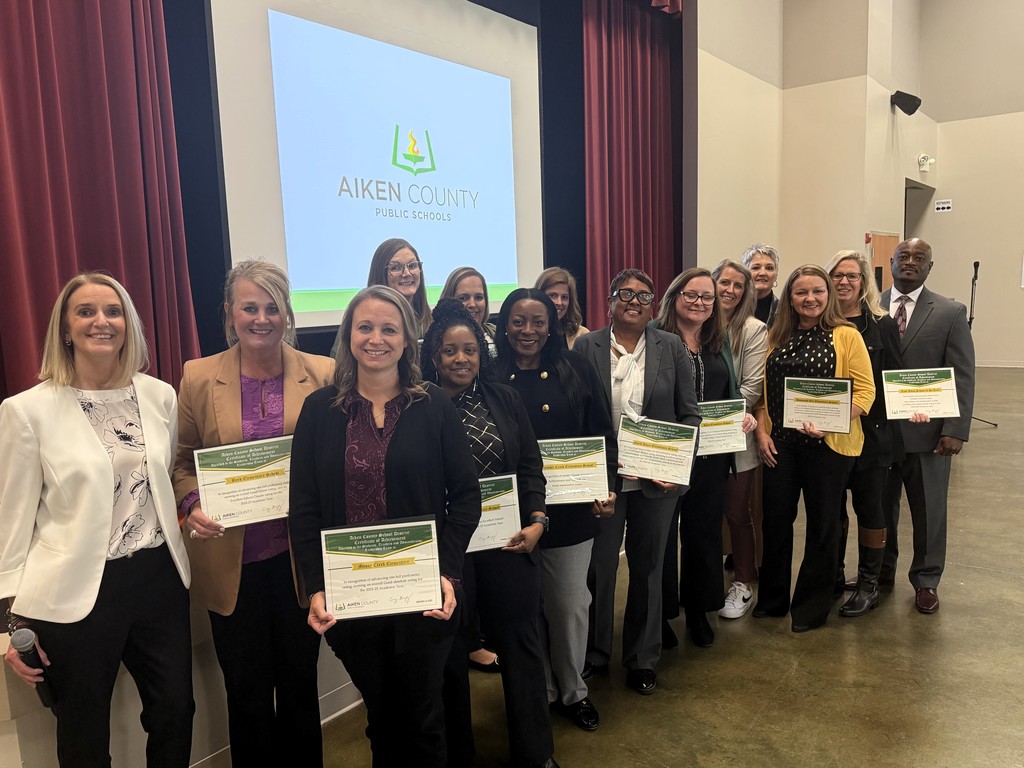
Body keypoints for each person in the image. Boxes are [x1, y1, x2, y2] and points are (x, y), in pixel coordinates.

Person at [1, 273, 193, 767]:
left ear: (128, 324)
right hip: (77, 591)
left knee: (175, 711)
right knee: (84, 729)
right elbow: (12, 521)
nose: (101, 322)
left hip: (157, 577)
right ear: (65, 329)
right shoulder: (27, 411)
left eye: (112, 311)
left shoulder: (159, 396)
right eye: (85, 312)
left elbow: (161, 482)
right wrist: (8, 624)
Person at [289, 285, 480, 767]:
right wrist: (315, 585)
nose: (377, 338)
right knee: (382, 719)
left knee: (423, 720)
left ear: (408, 338)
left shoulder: (433, 406)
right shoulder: (319, 411)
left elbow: (466, 498)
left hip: (423, 597)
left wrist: (448, 572)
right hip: (352, 600)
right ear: (348, 334)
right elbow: (305, 507)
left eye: (389, 328)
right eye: (365, 327)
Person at [173, 261, 333, 765]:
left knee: (301, 690)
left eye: (272, 308)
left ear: (286, 313)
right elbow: (181, 464)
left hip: (298, 565)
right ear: (230, 312)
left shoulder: (322, 373)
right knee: (246, 698)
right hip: (231, 566)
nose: (261, 319)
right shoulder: (199, 377)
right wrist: (191, 503)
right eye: (249, 307)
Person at [425, 299, 558, 768]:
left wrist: (538, 520)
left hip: (509, 543)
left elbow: (529, 466)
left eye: (470, 350)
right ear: (434, 357)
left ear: (482, 354)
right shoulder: (420, 405)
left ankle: (536, 753)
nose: (461, 359)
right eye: (449, 351)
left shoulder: (506, 398)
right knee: (449, 654)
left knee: (522, 645)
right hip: (450, 552)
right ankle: (458, 758)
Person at [493, 288, 616, 731]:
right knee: (523, 610)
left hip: (570, 509)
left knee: (567, 605)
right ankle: (536, 691)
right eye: (519, 321)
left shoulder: (576, 366)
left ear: (552, 324)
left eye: (538, 321)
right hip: (509, 513)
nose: (529, 331)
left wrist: (606, 489)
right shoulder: (488, 374)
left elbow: (601, 433)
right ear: (504, 324)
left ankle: (572, 691)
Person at [575, 270, 700, 695]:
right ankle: (595, 652)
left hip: (656, 482)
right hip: (603, 481)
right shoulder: (585, 345)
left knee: (648, 568)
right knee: (600, 569)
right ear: (609, 301)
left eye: (643, 295)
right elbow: (575, 418)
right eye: (624, 294)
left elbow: (690, 415)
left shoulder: (671, 347)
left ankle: (643, 657)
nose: (634, 301)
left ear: (654, 305)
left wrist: (674, 467)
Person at [752, 265, 874, 633]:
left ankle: (810, 608)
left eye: (818, 291)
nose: (810, 299)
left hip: (828, 447)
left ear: (829, 294)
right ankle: (772, 600)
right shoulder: (775, 336)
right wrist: (761, 432)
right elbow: (762, 395)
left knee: (823, 526)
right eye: (801, 292)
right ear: (790, 298)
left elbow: (865, 392)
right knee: (775, 522)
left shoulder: (846, 336)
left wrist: (833, 422)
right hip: (781, 446)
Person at [655, 268, 758, 648]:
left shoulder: (718, 340)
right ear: (675, 296)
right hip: (667, 453)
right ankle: (662, 614)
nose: (700, 303)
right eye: (691, 295)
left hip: (712, 455)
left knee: (703, 534)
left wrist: (742, 414)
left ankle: (699, 609)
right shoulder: (654, 338)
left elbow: (729, 391)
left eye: (707, 298)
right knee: (662, 537)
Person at [881, 238, 975, 614]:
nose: (910, 262)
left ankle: (926, 580)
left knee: (929, 511)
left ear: (930, 268)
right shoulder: (869, 308)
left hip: (930, 435)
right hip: (880, 433)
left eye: (920, 258)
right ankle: (880, 571)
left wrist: (955, 428)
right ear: (890, 263)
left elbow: (962, 374)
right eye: (904, 256)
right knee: (879, 509)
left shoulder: (950, 312)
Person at [825, 251, 908, 617]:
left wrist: (913, 408)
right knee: (831, 509)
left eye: (852, 276)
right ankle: (834, 575)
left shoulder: (882, 324)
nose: (844, 282)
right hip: (827, 435)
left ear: (864, 282)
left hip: (872, 436)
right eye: (838, 275)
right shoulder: (818, 321)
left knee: (870, 508)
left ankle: (869, 583)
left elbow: (894, 379)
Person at [711, 259, 768, 619]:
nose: (730, 290)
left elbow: (751, 387)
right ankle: (702, 582)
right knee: (700, 514)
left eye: (738, 286)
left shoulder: (754, 329)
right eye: (724, 283)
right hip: (696, 439)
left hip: (736, 435)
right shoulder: (696, 324)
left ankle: (744, 583)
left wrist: (707, 417)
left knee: (736, 510)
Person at [331, 237, 432, 356]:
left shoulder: (429, 320)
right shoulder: (359, 314)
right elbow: (339, 364)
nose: (407, 273)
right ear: (380, 273)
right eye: (395, 268)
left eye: (412, 265)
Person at [535, 267, 590, 349]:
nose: (559, 302)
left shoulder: (581, 334)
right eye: (552, 296)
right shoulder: (528, 332)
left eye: (564, 297)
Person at [440, 266, 496, 343]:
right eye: (463, 298)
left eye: (478, 297)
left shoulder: (496, 334)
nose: (472, 304)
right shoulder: (437, 341)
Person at [742, 243, 780, 327]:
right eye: (756, 268)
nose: (763, 273)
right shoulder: (733, 307)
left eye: (769, 268)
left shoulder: (785, 312)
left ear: (776, 275)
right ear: (745, 273)